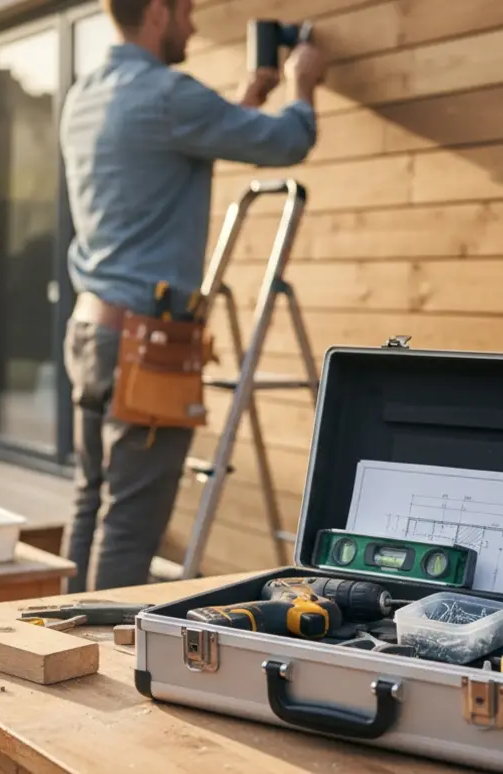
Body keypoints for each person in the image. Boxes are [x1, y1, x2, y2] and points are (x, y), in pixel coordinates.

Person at [58, 0, 329, 591]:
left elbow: (165, 153)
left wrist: (244, 100)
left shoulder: (85, 95)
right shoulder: (167, 94)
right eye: (186, 12)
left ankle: (58, 647)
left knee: (91, 502)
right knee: (131, 523)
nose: (195, 25)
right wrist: (301, 84)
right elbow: (287, 142)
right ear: (158, 12)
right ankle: (97, 670)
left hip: (91, 330)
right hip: (146, 346)